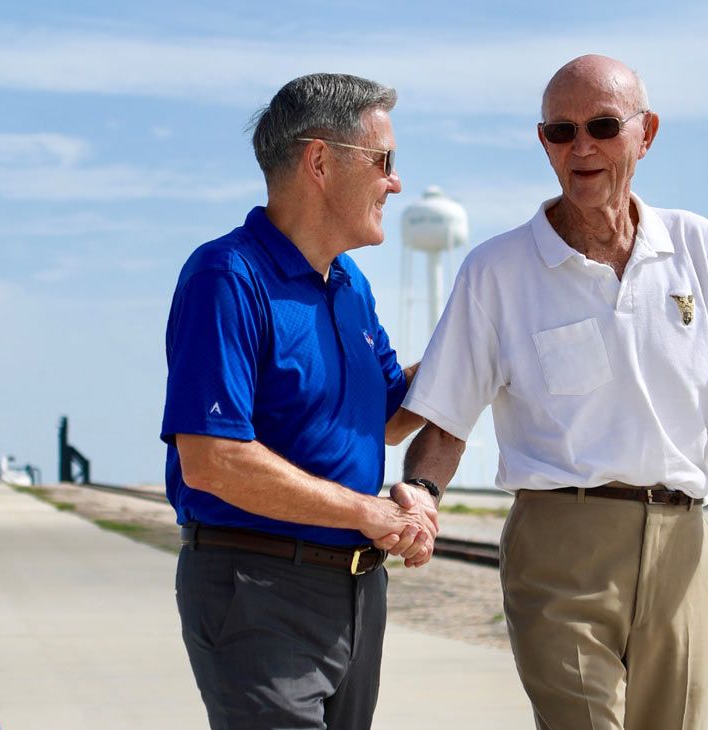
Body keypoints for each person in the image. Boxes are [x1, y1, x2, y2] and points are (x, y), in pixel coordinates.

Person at [398, 55, 708, 729]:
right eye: (561, 130)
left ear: (646, 134)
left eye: (604, 126)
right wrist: (422, 496)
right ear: (543, 142)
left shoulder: (703, 248)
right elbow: (446, 420)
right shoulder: (495, 270)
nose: (581, 146)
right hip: (559, 553)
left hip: (684, 549)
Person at [160, 73, 437, 730]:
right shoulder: (226, 277)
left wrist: (485, 349)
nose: (395, 182)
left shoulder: (351, 287)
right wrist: (363, 511)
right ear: (320, 160)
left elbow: (391, 418)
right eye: (384, 161)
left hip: (359, 593)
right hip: (258, 590)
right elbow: (213, 460)